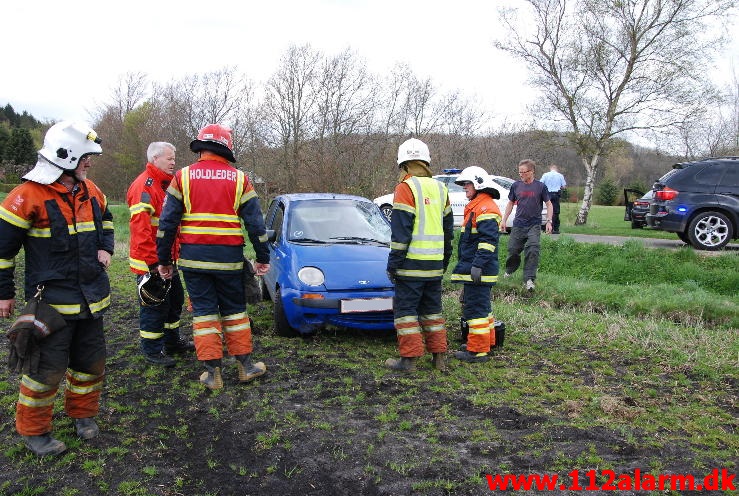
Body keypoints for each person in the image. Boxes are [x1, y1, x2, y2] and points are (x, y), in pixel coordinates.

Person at [0, 121, 113, 456]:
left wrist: (106, 246)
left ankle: (82, 415)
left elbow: (106, 220)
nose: (89, 164)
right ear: (65, 156)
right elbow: (3, 250)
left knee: (90, 365)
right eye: (85, 158)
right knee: (43, 372)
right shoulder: (26, 196)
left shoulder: (92, 191)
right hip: (50, 304)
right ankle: (34, 431)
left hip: (92, 300)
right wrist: (3, 293)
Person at [156, 123, 270, 390]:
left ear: (201, 148)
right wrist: (262, 256)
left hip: (193, 262)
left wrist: (164, 261)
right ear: (226, 148)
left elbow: (167, 224)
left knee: (205, 315)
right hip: (229, 261)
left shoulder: (182, 177)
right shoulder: (240, 179)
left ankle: (212, 374)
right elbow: (256, 224)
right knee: (236, 313)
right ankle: (246, 367)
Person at [385, 138, 454, 372]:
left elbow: (401, 232)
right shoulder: (441, 188)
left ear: (403, 164)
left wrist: (393, 264)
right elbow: (448, 231)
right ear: (426, 162)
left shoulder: (405, 188)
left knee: (406, 313)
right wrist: (444, 261)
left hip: (410, 266)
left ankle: (409, 360)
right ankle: (439, 358)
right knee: (433, 313)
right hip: (434, 266)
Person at [127, 142, 194, 367]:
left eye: (174, 158)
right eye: (169, 158)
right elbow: (141, 230)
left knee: (174, 301)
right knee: (154, 306)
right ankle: (153, 350)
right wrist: (154, 263)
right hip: (151, 263)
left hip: (167, 260)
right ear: (155, 159)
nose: (173, 162)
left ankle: (172, 342)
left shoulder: (165, 186)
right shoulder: (144, 187)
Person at [450, 166, 502, 363]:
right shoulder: (479, 206)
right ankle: (485, 342)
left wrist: (477, 265)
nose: (464, 188)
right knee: (483, 309)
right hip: (478, 269)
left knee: (475, 310)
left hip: (479, 270)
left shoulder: (485, 208)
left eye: (467, 184)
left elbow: (488, 241)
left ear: (478, 184)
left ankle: (478, 350)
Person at [501, 159, 553, 292]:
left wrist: (549, 221)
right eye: (520, 172)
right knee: (513, 250)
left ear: (532, 171)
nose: (521, 174)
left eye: (524, 172)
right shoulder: (516, 186)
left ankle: (529, 279)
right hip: (518, 225)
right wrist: (503, 220)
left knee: (533, 249)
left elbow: (549, 204)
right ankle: (509, 270)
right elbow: (510, 203)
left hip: (534, 225)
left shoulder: (540, 186)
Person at [540, 164, 566, 234]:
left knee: (546, 210)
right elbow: (563, 186)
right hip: (556, 194)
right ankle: (555, 229)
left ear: (550, 168)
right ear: (556, 169)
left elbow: (541, 184)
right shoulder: (560, 175)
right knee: (555, 211)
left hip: (547, 194)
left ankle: (545, 227)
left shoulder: (545, 175)